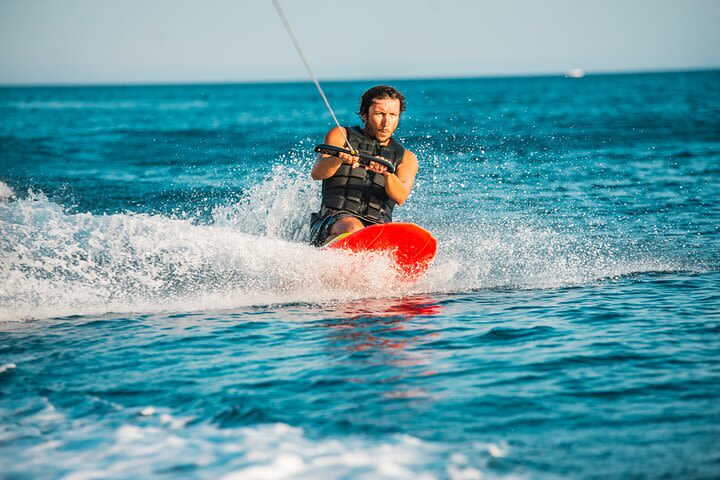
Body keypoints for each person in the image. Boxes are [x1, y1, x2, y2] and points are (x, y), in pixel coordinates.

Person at [309, 85, 418, 246]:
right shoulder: (341, 135)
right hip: (333, 220)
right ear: (364, 114)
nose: (386, 122)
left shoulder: (406, 157)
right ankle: (326, 250)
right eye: (379, 114)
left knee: (393, 239)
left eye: (393, 115)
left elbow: (401, 197)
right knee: (353, 228)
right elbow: (317, 173)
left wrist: (387, 174)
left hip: (376, 228)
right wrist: (339, 158)